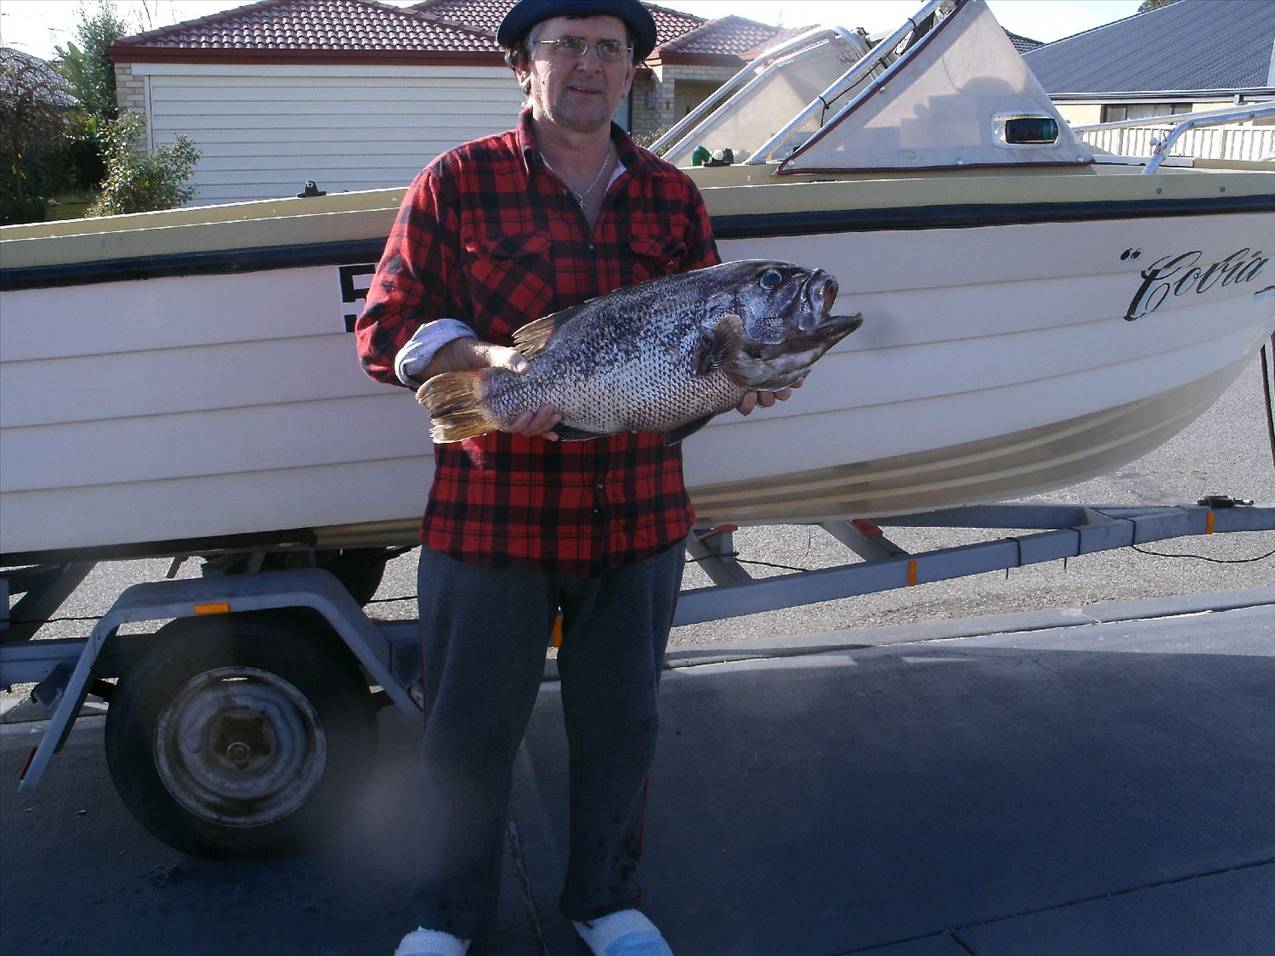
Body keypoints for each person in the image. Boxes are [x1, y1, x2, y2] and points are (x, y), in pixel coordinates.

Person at [355, 2, 792, 953]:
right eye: (566, 45)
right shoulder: (455, 182)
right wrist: (490, 364)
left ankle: (605, 903)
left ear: (632, 70)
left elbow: (702, 354)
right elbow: (386, 328)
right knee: (466, 735)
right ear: (524, 65)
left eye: (608, 48)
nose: (588, 64)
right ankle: (443, 921)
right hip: (490, 513)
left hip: (637, 515)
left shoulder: (672, 197)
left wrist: (738, 382)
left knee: (622, 728)